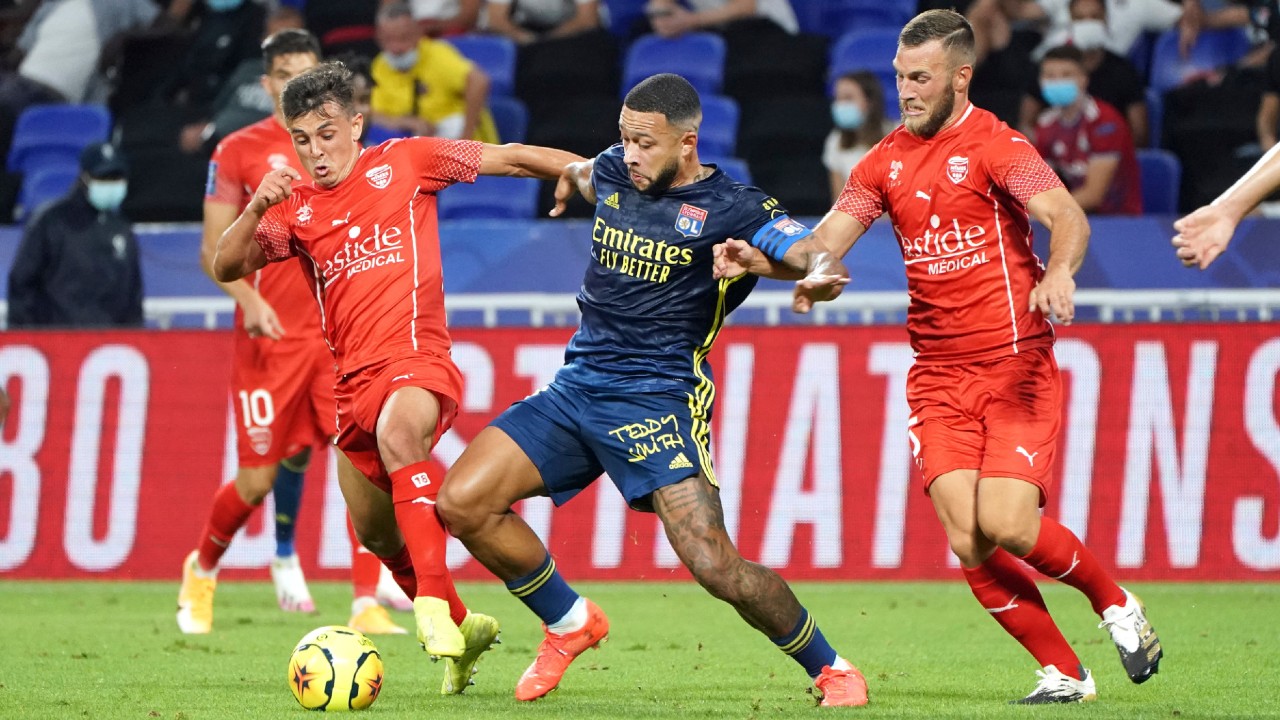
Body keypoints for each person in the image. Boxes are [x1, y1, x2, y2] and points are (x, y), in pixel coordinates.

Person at [713, 10, 1162, 704]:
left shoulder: (997, 145)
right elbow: (823, 244)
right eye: (899, 77)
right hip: (938, 377)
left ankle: (1115, 603)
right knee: (969, 537)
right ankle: (1066, 674)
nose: (906, 90)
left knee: (1009, 523)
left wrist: (1061, 273)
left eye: (919, 77)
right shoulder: (882, 161)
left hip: (1014, 365)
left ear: (961, 76)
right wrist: (762, 257)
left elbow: (1067, 216)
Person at [434, 73, 869, 707]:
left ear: (687, 143)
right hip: (577, 387)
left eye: (645, 143)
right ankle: (568, 622)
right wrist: (546, 172)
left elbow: (815, 255)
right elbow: (571, 167)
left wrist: (815, 277)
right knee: (463, 503)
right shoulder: (614, 171)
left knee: (714, 564)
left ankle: (832, 668)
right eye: (624, 139)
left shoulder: (736, 209)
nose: (630, 154)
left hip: (658, 397)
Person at [210, 60, 584, 694]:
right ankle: (464, 632)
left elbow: (512, 157)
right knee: (375, 531)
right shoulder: (295, 210)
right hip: (349, 387)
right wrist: (254, 209)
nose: (316, 152)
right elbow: (226, 264)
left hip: (416, 362)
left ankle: (433, 605)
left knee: (399, 436)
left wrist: (595, 176)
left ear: (356, 124)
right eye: (302, 140)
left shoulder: (407, 162)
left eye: (327, 133)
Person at [177, 28, 407, 640]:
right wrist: (246, 298)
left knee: (362, 465)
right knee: (256, 479)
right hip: (270, 341)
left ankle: (365, 601)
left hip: (336, 341)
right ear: (268, 85)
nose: (293, 85)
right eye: (283, 76)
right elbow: (213, 250)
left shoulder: (345, 153)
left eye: (305, 73)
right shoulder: (238, 151)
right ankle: (201, 569)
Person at [8, 142, 143, 328]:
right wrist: (27, 339)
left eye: (116, 177)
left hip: (108, 346)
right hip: (56, 340)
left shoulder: (120, 228)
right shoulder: (51, 222)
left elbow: (133, 296)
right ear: (84, 177)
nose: (111, 183)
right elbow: (22, 284)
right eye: (103, 177)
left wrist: (134, 340)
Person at [1017, 0, 1148, 147]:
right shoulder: (1050, 65)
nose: (1088, 24)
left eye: (1094, 17)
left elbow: (1139, 133)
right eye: (1080, 18)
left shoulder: (1123, 70)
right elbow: (1026, 124)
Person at [1032, 45, 1142, 215]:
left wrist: (1043, 211)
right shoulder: (1046, 123)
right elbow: (1040, 183)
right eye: (1050, 76)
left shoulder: (1105, 122)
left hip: (1118, 219)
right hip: (1072, 216)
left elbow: (1093, 195)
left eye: (1066, 75)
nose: (1057, 81)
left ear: (1083, 79)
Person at [370, 1, 498, 142]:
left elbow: (479, 81)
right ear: (379, 38)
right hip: (421, 149)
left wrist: (465, 138)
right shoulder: (380, 66)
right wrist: (405, 121)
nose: (396, 48)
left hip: (461, 144)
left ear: (418, 33)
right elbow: (371, 112)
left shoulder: (438, 54)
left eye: (403, 38)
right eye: (389, 40)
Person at [824, 70, 891, 204]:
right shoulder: (835, 141)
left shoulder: (897, 136)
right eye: (837, 98)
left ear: (870, 101)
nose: (840, 105)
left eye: (848, 98)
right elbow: (839, 202)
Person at [642, 0, 798, 38]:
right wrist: (661, 15)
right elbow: (659, 5)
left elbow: (747, 6)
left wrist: (691, 21)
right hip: (723, 32)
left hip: (768, 30)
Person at [485, 0, 603, 44]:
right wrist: (527, 39)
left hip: (572, 33)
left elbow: (587, 19)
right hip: (527, 31)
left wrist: (548, 41)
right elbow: (496, 20)